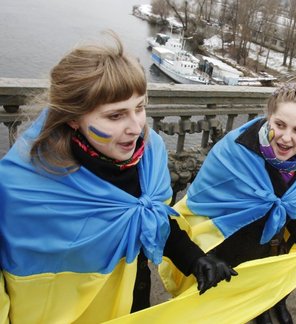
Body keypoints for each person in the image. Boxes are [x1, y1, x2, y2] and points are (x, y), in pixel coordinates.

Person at [0, 32, 235, 323]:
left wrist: (194, 258)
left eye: (140, 107)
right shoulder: (22, 188)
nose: (136, 127)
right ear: (74, 117)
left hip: (135, 298)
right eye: (115, 116)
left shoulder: (150, 154)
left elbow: (153, 219)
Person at [174, 84, 296, 324]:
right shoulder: (235, 150)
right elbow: (198, 206)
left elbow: (294, 202)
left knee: (259, 281)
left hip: (268, 242)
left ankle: (261, 308)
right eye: (279, 125)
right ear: (269, 118)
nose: (286, 138)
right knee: (216, 306)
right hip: (225, 245)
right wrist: (204, 254)